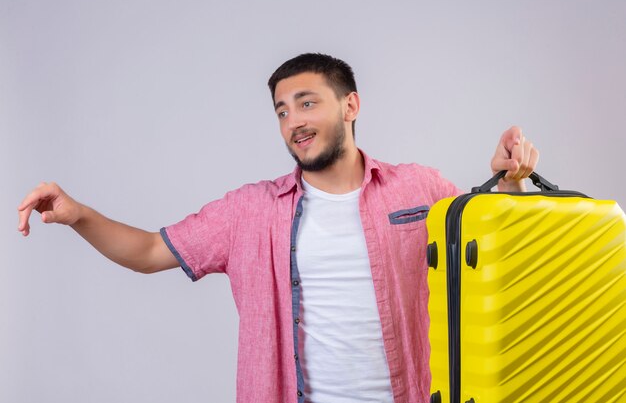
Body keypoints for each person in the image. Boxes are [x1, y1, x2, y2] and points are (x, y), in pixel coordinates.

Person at [17, 53, 539, 403]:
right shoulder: (248, 211)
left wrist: (509, 181)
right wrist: (78, 214)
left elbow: (488, 247)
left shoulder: (419, 189)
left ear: (350, 105)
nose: (294, 122)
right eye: (282, 111)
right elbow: (152, 250)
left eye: (307, 103)